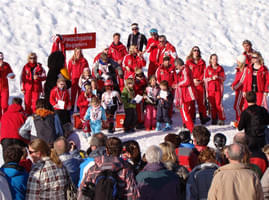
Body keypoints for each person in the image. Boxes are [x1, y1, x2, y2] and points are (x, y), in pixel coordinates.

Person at [186, 46, 210, 124]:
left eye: (197, 50)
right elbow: (187, 73)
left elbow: (204, 73)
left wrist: (199, 80)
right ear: (192, 52)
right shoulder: (188, 62)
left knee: (201, 102)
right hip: (191, 84)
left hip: (199, 84)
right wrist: (193, 80)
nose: (196, 52)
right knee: (192, 102)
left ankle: (203, 117)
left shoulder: (202, 62)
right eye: (194, 50)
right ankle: (192, 117)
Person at [173, 58, 196, 132]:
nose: (176, 68)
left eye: (176, 67)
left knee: (184, 110)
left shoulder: (185, 69)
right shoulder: (183, 70)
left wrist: (178, 84)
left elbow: (187, 81)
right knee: (184, 110)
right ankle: (186, 126)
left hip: (187, 94)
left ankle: (190, 128)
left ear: (179, 65)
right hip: (185, 94)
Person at [204, 54, 226, 125]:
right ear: (210, 60)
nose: (214, 60)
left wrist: (218, 77)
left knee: (218, 104)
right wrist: (211, 78)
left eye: (216, 59)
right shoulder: (208, 68)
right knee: (212, 105)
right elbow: (205, 79)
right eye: (213, 59)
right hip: (210, 89)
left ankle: (221, 118)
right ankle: (214, 118)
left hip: (218, 89)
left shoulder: (220, 68)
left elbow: (224, 78)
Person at [231, 54, 248, 127]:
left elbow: (242, 80)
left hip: (242, 90)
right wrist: (233, 85)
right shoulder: (238, 69)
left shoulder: (245, 69)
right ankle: (239, 120)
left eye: (238, 61)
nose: (237, 62)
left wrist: (235, 87)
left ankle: (240, 121)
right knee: (238, 106)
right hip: (238, 90)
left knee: (237, 106)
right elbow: (236, 79)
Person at [0, 52, 15, 119]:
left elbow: (11, 73)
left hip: (4, 88)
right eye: (0, 59)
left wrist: (12, 76)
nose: (1, 60)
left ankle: (5, 118)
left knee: (5, 105)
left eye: (2, 58)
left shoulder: (6, 65)